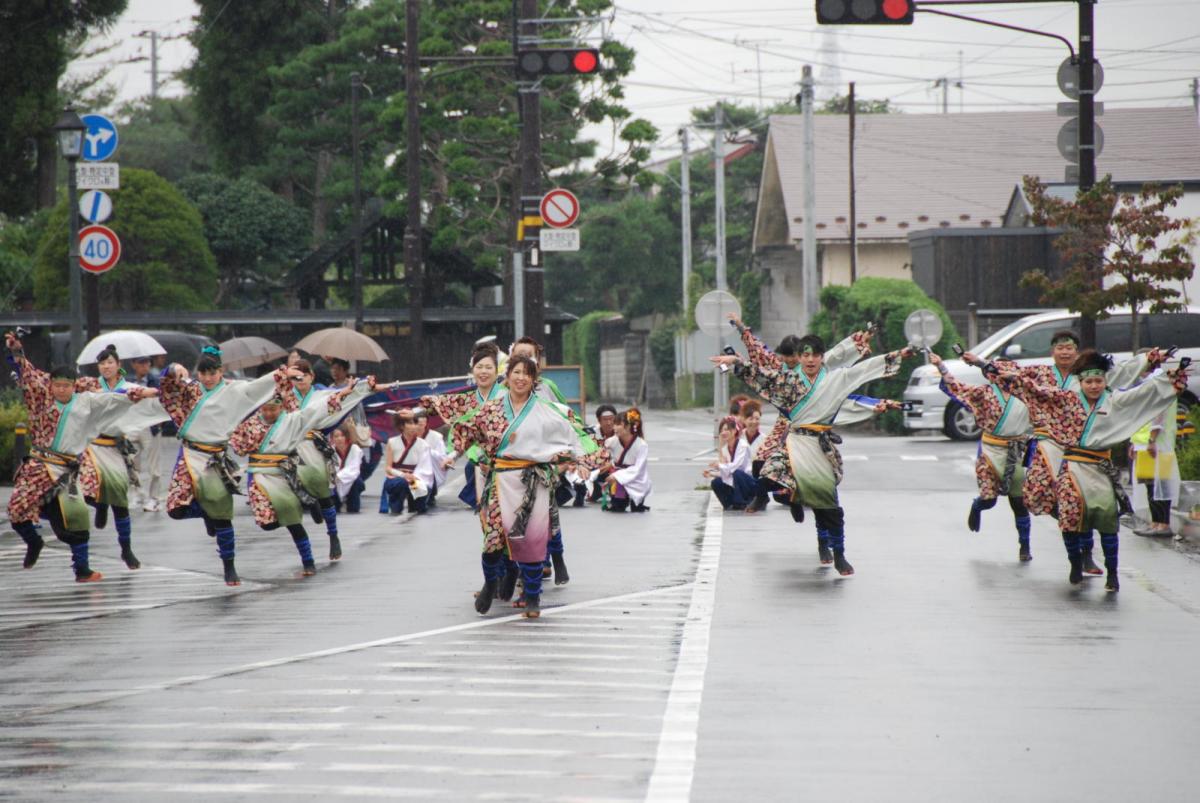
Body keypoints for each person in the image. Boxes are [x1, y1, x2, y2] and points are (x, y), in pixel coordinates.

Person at [713, 336, 912, 575]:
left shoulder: (834, 379)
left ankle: (837, 552)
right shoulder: (789, 379)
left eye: (815, 355)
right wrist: (736, 360)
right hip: (795, 441)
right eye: (805, 355)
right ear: (799, 357)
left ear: (821, 357)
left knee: (828, 505)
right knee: (766, 476)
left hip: (820, 446)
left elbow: (863, 370)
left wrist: (898, 355)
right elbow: (762, 375)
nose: (810, 359)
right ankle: (792, 496)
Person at [999, 350, 1189, 591]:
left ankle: (1112, 572)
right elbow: (1037, 391)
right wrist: (1004, 375)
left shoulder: (1114, 402)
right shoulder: (1067, 400)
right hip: (1072, 467)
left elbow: (1142, 394)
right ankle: (1076, 563)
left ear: (1104, 382)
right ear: (1081, 382)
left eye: (1099, 381)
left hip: (1100, 469)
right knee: (1069, 518)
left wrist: (1168, 378)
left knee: (1107, 520)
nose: (1094, 386)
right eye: (1089, 381)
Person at [5, 332, 158, 582]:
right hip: (39, 465)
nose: (62, 390)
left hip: (68, 468)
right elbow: (28, 373)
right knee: (16, 511)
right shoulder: (40, 397)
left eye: (67, 385)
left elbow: (116, 398)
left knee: (78, 516)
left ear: (74, 385)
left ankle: (82, 568)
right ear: (51, 385)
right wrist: (17, 351)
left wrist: (144, 393)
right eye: (57, 385)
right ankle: (34, 542)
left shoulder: (86, 401)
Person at [452, 355, 593, 618]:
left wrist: (581, 459)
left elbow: (574, 433)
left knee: (532, 539)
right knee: (493, 541)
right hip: (500, 478)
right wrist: (454, 453)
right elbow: (466, 431)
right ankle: (490, 582)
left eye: (527, 373)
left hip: (533, 480)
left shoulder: (547, 409)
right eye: (516, 372)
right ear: (507, 376)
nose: (520, 377)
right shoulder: (492, 409)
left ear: (533, 379)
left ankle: (532, 595)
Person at [160, 347, 292, 586]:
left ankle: (229, 567)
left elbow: (256, 388)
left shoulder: (234, 390)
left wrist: (282, 373)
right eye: (203, 373)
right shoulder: (191, 390)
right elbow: (168, 391)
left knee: (222, 516)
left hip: (215, 459)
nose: (208, 378)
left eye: (212, 373)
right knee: (175, 509)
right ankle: (205, 513)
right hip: (190, 454)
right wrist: (172, 369)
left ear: (220, 372)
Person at [229, 378, 363, 574]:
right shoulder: (251, 424)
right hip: (260, 474)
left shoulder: (292, 419)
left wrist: (345, 392)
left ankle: (309, 560)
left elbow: (318, 409)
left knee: (293, 518)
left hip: (285, 470)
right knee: (267, 523)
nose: (268, 413)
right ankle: (310, 501)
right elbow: (237, 443)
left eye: (273, 410)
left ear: (282, 408)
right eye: (265, 409)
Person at [929, 352, 1034, 561]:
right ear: (991, 373)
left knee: (1019, 501)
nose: (1003, 373)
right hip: (991, 450)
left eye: (1007, 368)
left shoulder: (1028, 393)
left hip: (1018, 449)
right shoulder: (983, 393)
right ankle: (977, 506)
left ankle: (1025, 546)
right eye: (998, 369)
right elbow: (955, 385)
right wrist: (940, 365)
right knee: (989, 499)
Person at [77, 344, 170, 569]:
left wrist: (160, 387)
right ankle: (99, 504)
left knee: (119, 502)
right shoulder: (90, 386)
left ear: (118, 365)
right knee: (89, 490)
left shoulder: (130, 387)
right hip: (93, 446)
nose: (106, 367)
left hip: (116, 447)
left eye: (110, 363)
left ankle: (126, 549)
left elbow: (152, 394)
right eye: (102, 363)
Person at [281, 359, 381, 559]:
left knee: (324, 491)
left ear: (312, 377)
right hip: (291, 445)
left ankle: (333, 534)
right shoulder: (285, 397)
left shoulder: (321, 395)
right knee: (287, 484)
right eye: (295, 377)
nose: (300, 381)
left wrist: (368, 387)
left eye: (304, 376)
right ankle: (309, 501)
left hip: (314, 445)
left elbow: (348, 395)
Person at [421, 342, 506, 510]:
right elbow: (465, 432)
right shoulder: (467, 401)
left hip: (509, 467)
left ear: (497, 372)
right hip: (479, 466)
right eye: (479, 367)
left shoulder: (509, 398)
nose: (483, 371)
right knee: (488, 520)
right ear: (472, 371)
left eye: (488, 367)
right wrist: (452, 455)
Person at [1130, 403, 1180, 536]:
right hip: (1145, 444)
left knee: (1159, 485)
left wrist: (1152, 440)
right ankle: (1155, 522)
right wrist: (1134, 443)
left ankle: (1163, 524)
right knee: (1150, 486)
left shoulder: (1161, 388)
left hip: (1158, 445)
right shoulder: (1153, 385)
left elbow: (1158, 416)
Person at [126, 356, 165, 512]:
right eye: (141, 362)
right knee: (131, 462)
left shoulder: (155, 381)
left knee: (153, 465)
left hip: (150, 426)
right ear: (134, 364)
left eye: (147, 362)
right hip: (132, 425)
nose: (145, 366)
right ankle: (137, 494)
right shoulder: (128, 381)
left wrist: (159, 422)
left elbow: (162, 402)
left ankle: (154, 498)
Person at [379, 409, 435, 515]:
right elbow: (388, 468)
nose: (414, 426)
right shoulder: (392, 442)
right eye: (410, 423)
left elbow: (425, 467)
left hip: (415, 478)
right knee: (401, 483)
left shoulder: (423, 444)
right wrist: (402, 475)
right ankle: (396, 504)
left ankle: (414, 503)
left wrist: (413, 476)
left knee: (420, 498)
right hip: (397, 478)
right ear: (401, 426)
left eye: (415, 423)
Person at [598, 408, 651, 513]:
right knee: (618, 507)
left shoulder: (641, 445)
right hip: (618, 479)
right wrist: (608, 463)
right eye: (615, 424)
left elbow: (638, 469)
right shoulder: (612, 441)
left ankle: (637, 500)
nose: (614, 427)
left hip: (636, 480)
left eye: (618, 424)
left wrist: (616, 476)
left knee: (637, 509)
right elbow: (600, 453)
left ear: (627, 426)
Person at [706, 415, 756, 511]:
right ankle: (729, 504)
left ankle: (744, 502)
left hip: (748, 483)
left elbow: (735, 467)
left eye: (726, 430)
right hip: (736, 481)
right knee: (716, 482)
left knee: (736, 473)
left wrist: (719, 465)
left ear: (734, 431)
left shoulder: (743, 446)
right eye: (722, 430)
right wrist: (712, 473)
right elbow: (726, 471)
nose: (723, 433)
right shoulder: (725, 449)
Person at [583, 404, 619, 504]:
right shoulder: (590, 432)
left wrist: (611, 464)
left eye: (611, 419)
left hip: (614, 467)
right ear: (599, 420)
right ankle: (592, 489)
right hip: (593, 466)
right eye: (605, 419)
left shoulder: (621, 433)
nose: (609, 423)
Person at [331, 424, 366, 514]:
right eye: (336, 436)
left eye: (342, 436)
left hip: (351, 479)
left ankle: (351, 504)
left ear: (346, 437)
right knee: (334, 508)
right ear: (332, 438)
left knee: (353, 508)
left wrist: (338, 476)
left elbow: (354, 469)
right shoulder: (330, 451)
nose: (339, 439)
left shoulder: (355, 449)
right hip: (335, 481)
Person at [422, 411, 453, 506]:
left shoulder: (436, 436)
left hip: (431, 469)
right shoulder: (409, 435)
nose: (419, 426)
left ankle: (431, 491)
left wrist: (427, 451)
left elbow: (441, 456)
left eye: (422, 423)